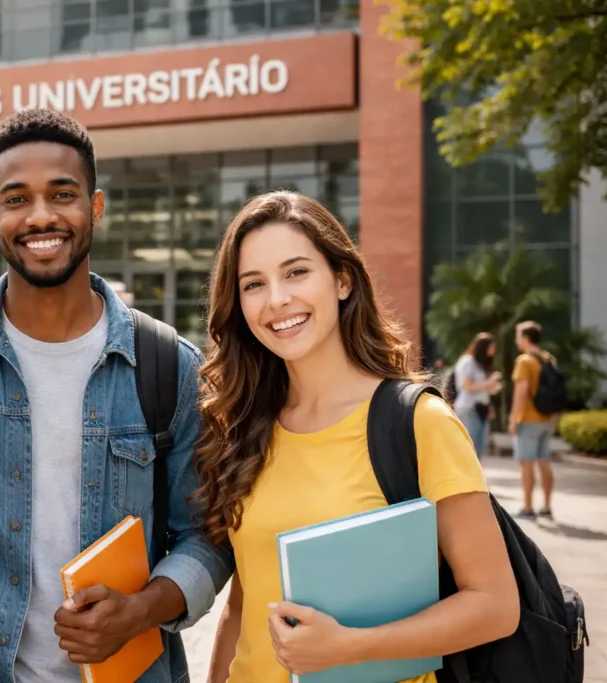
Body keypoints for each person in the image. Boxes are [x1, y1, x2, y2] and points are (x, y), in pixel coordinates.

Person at [0, 109, 233, 683]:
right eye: (16, 199)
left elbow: (207, 536)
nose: (41, 217)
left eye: (63, 194)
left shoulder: (168, 366)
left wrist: (141, 611)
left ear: (97, 207)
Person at [199, 192, 519, 683]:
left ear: (343, 280)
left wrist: (349, 647)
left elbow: (495, 605)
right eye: (254, 284)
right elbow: (244, 604)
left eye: (297, 272)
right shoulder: (245, 427)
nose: (277, 299)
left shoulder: (419, 423)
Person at [509, 320, 558, 520]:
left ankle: (528, 507)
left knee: (526, 463)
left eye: (518, 336)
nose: (516, 340)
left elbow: (522, 391)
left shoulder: (524, 361)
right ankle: (546, 506)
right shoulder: (548, 358)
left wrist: (514, 419)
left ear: (526, 338)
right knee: (544, 461)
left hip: (529, 419)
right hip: (547, 419)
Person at [452, 332, 502, 458]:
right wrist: (489, 382)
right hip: (469, 408)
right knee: (470, 446)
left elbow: (481, 388)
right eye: (492, 347)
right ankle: (467, 477)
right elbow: (468, 386)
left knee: (480, 446)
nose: (493, 351)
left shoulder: (481, 364)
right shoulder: (468, 361)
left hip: (481, 409)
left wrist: (491, 388)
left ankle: (476, 476)